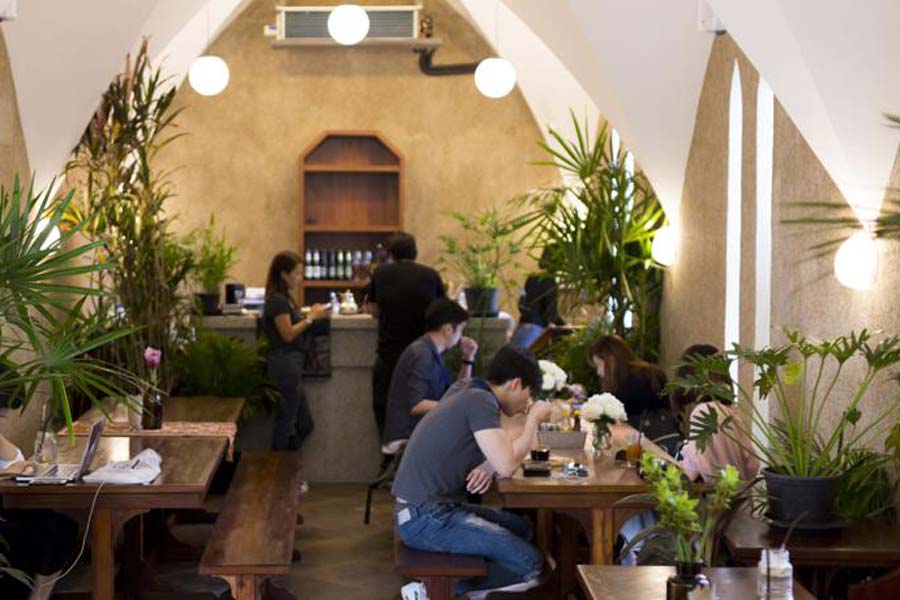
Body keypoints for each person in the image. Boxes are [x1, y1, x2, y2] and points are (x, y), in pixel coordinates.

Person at [392, 345, 552, 599]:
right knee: (531, 563)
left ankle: (472, 585)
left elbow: (501, 445)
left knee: (522, 528)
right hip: (425, 519)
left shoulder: (467, 388)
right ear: (515, 384)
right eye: (528, 395)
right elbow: (507, 466)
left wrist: (489, 463)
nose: (527, 403)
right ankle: (430, 592)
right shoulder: (481, 401)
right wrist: (533, 419)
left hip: (428, 509)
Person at [367, 233, 445, 440]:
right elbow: (442, 310)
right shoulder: (431, 275)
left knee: (386, 413)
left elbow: (373, 309)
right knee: (423, 416)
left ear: (390, 254)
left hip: (389, 355)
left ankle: (389, 456)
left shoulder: (380, 274)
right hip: (424, 356)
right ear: (415, 252)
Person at [381, 299, 478, 452]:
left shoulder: (431, 351)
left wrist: (468, 359)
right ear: (448, 329)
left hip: (419, 432)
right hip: (406, 436)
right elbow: (417, 405)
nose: (461, 337)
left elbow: (456, 390)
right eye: (461, 330)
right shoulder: (422, 353)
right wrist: (456, 406)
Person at [262, 251, 330, 451]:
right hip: (284, 364)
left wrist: (310, 314)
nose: (301, 278)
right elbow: (288, 334)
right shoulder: (277, 300)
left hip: (292, 364)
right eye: (297, 273)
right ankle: (279, 467)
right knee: (285, 422)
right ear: (284, 274)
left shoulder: (286, 299)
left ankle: (287, 463)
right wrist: (311, 318)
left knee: (305, 424)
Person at [671, 344, 760, 483]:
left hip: (717, 495)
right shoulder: (731, 412)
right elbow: (753, 465)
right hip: (741, 494)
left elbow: (692, 469)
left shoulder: (703, 411)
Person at [589, 334, 681, 455]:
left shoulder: (626, 386)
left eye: (599, 365)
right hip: (668, 443)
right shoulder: (652, 372)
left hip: (645, 448)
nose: (598, 372)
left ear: (610, 360)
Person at [510, 248, 564, 349]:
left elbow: (522, 302)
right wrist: (566, 328)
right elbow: (550, 314)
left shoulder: (531, 278)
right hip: (534, 330)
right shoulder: (550, 282)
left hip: (522, 327)